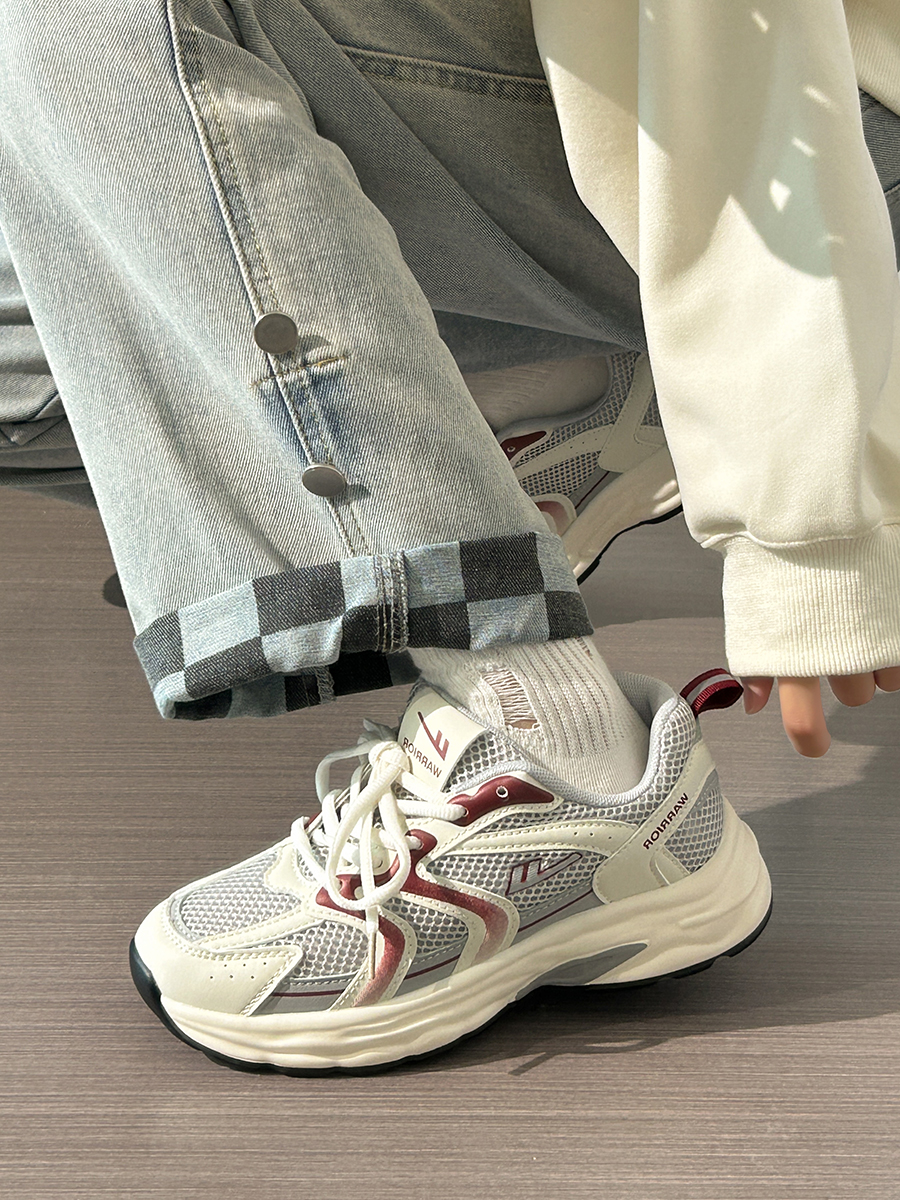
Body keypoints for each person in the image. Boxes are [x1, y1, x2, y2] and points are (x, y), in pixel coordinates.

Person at [0, 0, 898, 1072]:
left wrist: (809, 522)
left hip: (828, 155)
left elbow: (743, 43)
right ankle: (544, 416)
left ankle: (556, 749)